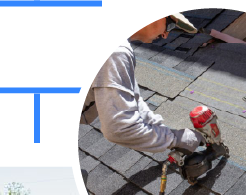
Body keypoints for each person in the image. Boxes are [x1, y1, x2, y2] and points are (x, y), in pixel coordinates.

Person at [81, 12, 205, 154]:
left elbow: (131, 98)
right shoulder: (117, 52)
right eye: (170, 25)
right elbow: (120, 129)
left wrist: (162, 129)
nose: (166, 35)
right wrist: (175, 139)